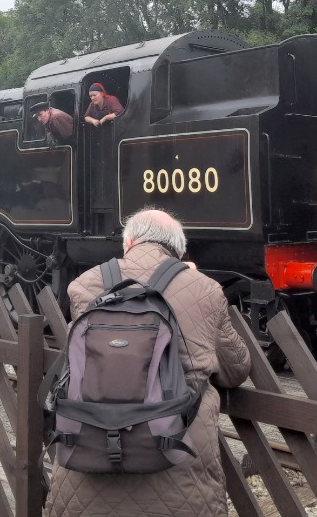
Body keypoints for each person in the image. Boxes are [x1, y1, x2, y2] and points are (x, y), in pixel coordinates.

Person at [46, 208, 251, 517]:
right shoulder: (205, 289)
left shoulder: (84, 285)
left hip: (85, 472)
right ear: (179, 251)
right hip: (180, 475)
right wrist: (191, 279)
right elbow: (236, 370)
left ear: (128, 244)